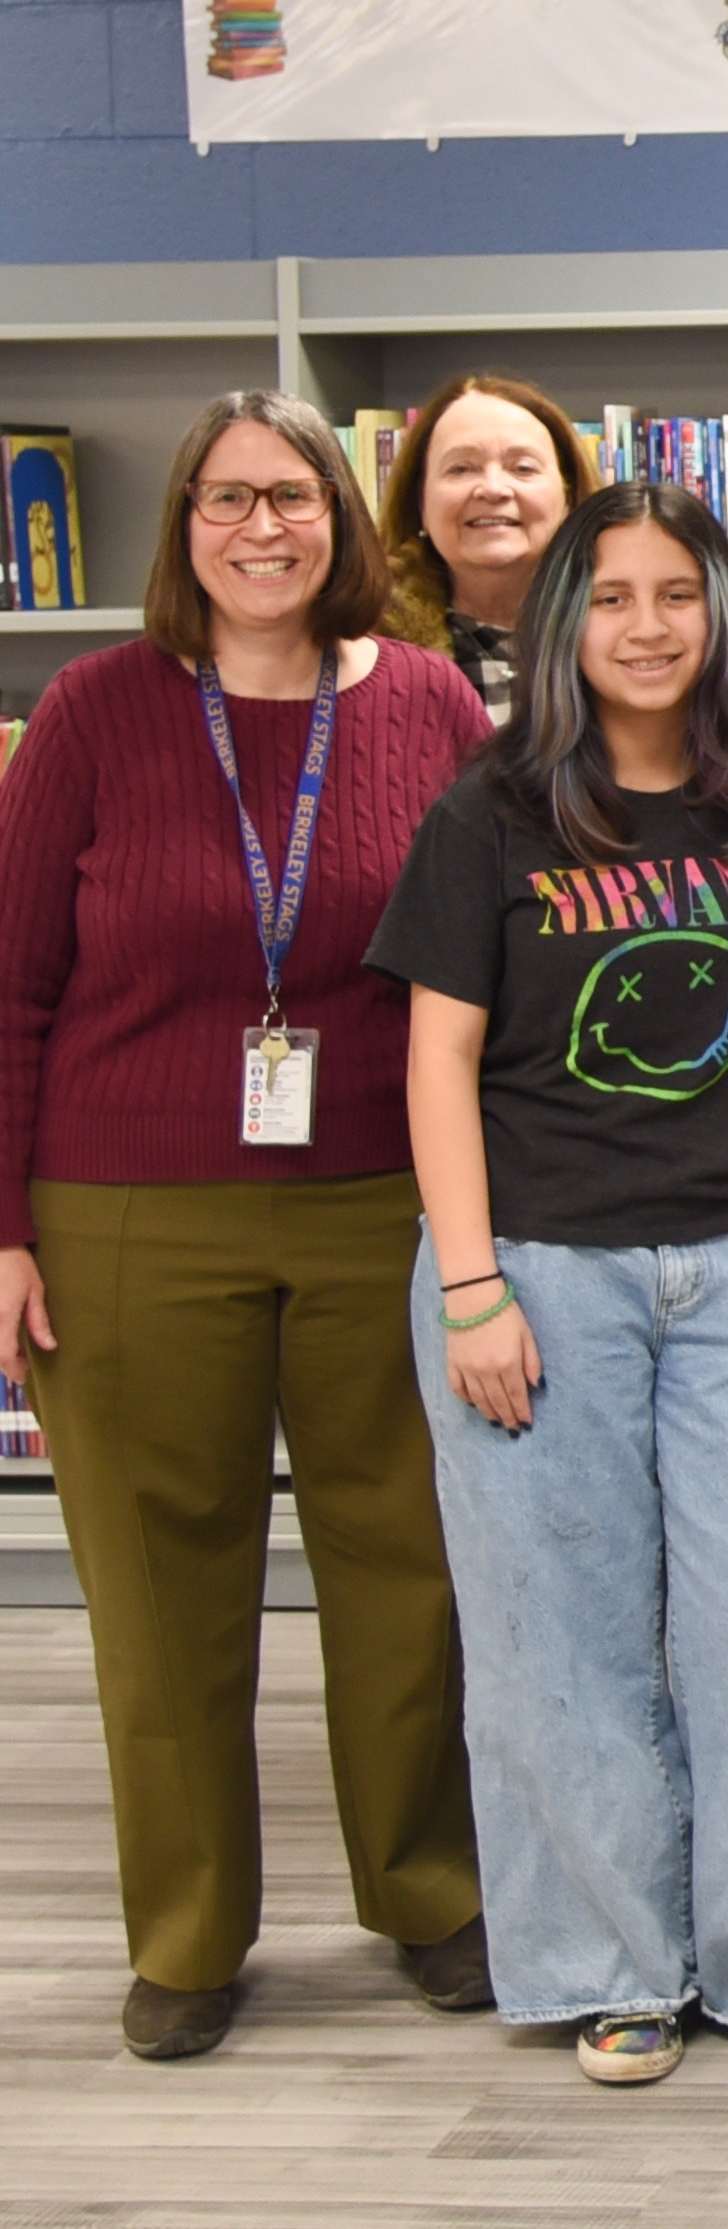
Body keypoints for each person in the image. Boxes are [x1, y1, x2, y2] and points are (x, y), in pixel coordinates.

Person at [0, 394, 492, 2063]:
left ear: (340, 520)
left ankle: (428, 1893)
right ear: (184, 526)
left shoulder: (427, 700)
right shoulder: (94, 709)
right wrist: (4, 1228)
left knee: (408, 1569)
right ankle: (189, 1935)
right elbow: (10, 982)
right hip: (125, 1209)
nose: (260, 527)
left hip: (380, 1200)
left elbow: (487, 963)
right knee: (161, 1593)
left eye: (291, 496)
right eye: (225, 499)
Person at [374, 481, 728, 2086]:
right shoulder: (492, 813)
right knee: (562, 1640)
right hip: (537, 1277)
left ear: (721, 616)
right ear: (562, 624)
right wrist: (470, 1287)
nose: (647, 627)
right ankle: (613, 1969)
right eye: (611, 598)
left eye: (677, 594)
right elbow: (436, 1063)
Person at [376, 375, 593, 731]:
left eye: (522, 468)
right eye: (461, 468)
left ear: (568, 497)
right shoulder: (366, 651)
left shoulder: (621, 636)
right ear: (420, 502)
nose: (493, 489)